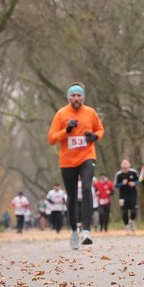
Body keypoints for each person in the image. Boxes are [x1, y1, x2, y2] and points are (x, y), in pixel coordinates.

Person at [47, 82, 104, 250]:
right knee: (71, 196)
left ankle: (86, 231)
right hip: (67, 160)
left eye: (79, 95)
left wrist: (95, 136)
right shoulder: (61, 114)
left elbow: (100, 130)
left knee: (87, 188)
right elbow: (51, 139)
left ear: (83, 97)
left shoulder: (90, 112)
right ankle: (73, 231)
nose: (76, 98)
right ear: (68, 97)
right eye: (73, 95)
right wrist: (67, 131)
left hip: (87, 156)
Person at [114, 159, 140, 232]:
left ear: (129, 165)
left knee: (134, 211)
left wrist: (134, 183)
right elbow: (115, 185)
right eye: (123, 164)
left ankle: (131, 221)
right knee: (124, 212)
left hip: (133, 194)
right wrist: (122, 184)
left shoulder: (133, 172)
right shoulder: (118, 174)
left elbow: (139, 181)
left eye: (126, 164)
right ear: (121, 166)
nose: (125, 166)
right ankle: (127, 226)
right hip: (123, 195)